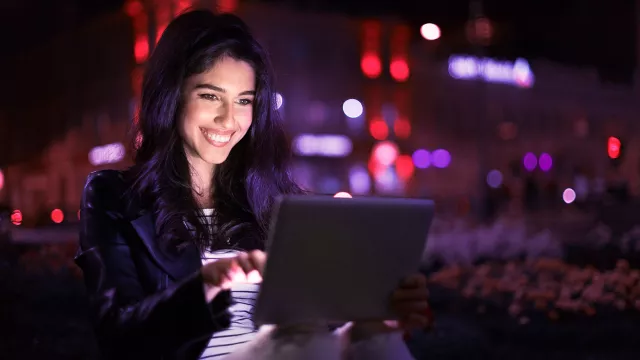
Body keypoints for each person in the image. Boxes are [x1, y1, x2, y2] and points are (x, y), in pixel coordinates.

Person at [75, 9, 432, 360]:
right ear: (173, 94)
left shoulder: (281, 206)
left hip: (291, 351)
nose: (228, 119)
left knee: (374, 335)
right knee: (301, 338)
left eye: (243, 101)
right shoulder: (115, 197)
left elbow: (321, 324)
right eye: (210, 96)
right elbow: (117, 339)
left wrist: (382, 305)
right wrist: (204, 286)